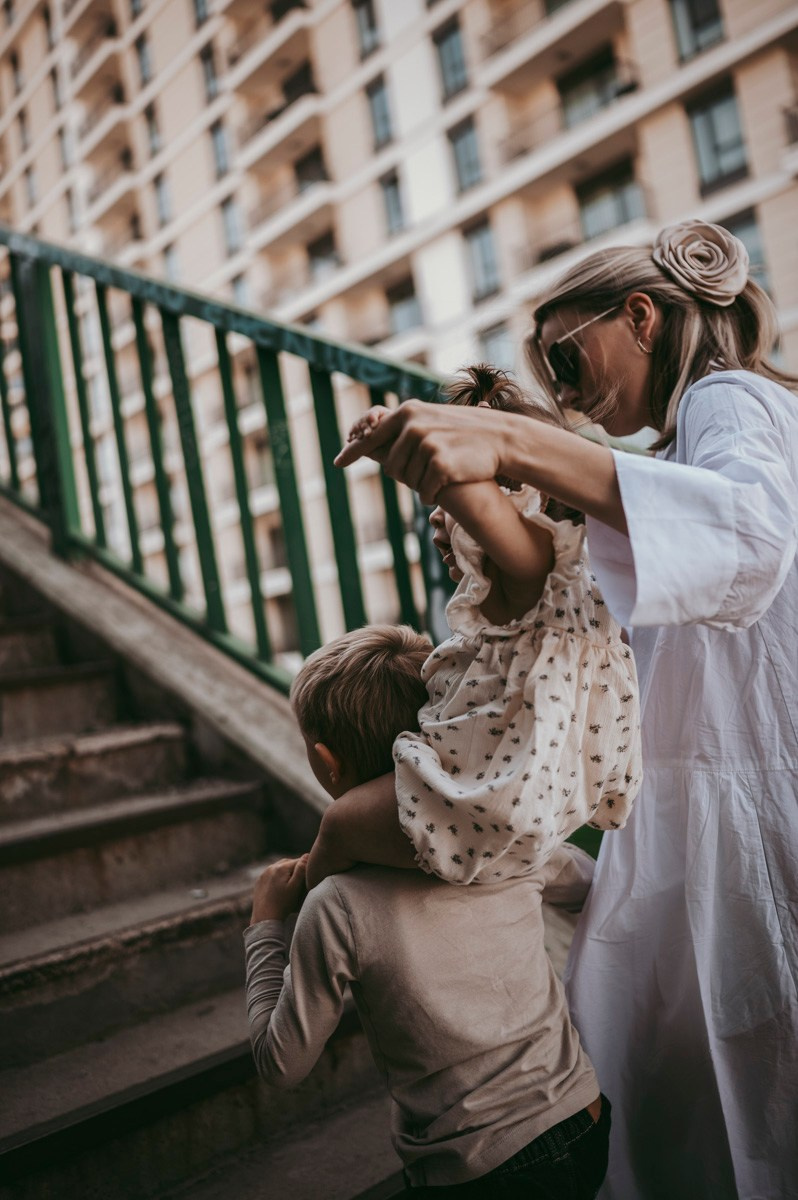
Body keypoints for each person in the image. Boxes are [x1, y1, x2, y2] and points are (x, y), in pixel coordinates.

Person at [332, 220, 798, 1200]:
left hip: (743, 842)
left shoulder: (730, 398)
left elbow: (747, 550)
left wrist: (508, 440)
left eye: (563, 352)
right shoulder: (692, 451)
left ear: (640, 317)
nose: (560, 384)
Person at [245, 624, 610, 1197]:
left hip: (478, 1170)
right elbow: (599, 890)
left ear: (326, 761)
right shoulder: (505, 845)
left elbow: (280, 1063)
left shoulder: (335, 906)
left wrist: (265, 926)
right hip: (584, 1118)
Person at [343, 366, 642, 885]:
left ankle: (290, 898)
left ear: (531, 499)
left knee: (338, 827)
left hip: (474, 806)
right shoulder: (549, 597)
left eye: (455, 493)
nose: (437, 513)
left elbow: (480, 507)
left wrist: (407, 445)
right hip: (520, 806)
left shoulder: (534, 578)